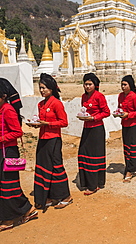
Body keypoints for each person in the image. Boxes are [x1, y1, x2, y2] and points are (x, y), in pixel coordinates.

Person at [30, 73, 72, 210]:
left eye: (44, 88)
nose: (42, 90)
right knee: (43, 167)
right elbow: (42, 122)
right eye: (40, 88)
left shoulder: (56, 103)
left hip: (53, 139)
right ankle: (47, 196)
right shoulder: (40, 104)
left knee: (56, 167)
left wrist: (47, 123)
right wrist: (37, 124)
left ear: (52, 89)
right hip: (42, 138)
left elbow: (64, 122)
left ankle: (65, 196)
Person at [0, 78, 37, 232]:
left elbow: (17, 132)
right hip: (2, 151)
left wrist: (1, 138)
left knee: (8, 186)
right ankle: (26, 210)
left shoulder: (8, 110)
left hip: (8, 151)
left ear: (2, 96)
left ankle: (9, 219)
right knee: (6, 185)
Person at [78, 73, 110, 195]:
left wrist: (94, 118)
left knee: (95, 156)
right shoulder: (83, 97)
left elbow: (106, 112)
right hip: (86, 128)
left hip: (97, 129)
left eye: (90, 84)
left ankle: (95, 184)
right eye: (85, 84)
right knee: (83, 153)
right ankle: (87, 181)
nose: (87, 86)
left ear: (95, 85)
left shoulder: (99, 96)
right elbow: (84, 111)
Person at [116, 75, 136, 183]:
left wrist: (129, 115)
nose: (123, 87)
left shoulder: (135, 97)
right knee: (126, 147)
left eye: (125, 85)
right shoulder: (120, 96)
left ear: (130, 85)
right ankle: (135, 167)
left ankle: (130, 170)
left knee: (132, 148)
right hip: (124, 124)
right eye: (122, 84)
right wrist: (118, 113)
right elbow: (120, 108)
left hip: (133, 125)